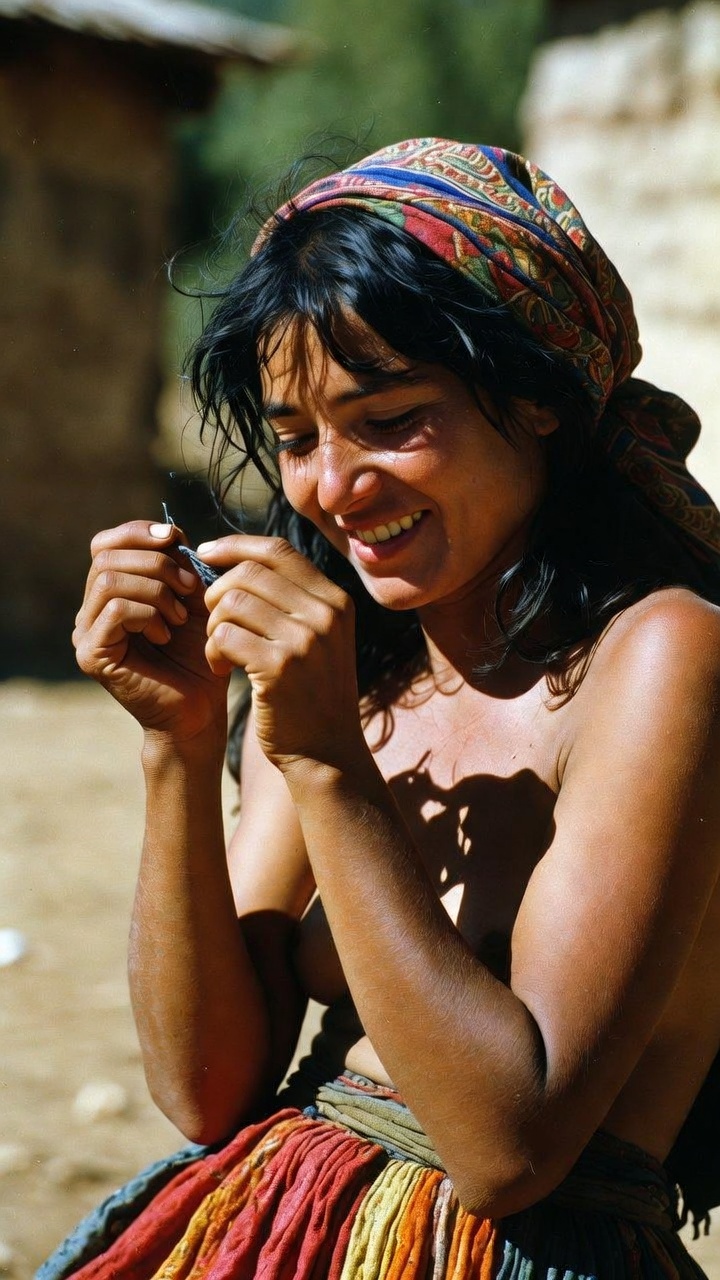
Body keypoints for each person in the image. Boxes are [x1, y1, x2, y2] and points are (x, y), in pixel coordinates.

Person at [40, 138, 720, 1280]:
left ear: (539, 396)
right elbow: (206, 1087)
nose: (334, 489)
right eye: (298, 438)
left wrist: (325, 762)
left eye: (393, 418)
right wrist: (181, 739)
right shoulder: (362, 670)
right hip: (275, 1227)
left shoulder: (660, 657)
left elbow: (510, 1147)